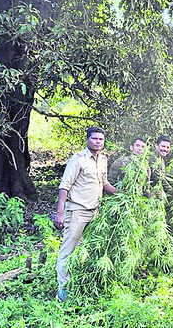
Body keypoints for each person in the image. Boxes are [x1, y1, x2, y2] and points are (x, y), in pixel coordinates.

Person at [54, 127, 117, 301]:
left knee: (87, 249)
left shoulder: (103, 160)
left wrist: (122, 192)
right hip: (77, 211)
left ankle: (80, 283)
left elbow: (104, 184)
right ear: (87, 140)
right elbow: (64, 186)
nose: (98, 142)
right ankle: (63, 289)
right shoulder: (78, 159)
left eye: (101, 139)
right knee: (68, 249)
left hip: (95, 212)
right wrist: (60, 213)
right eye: (95, 139)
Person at [148, 135, 173, 199]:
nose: (165, 149)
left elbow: (163, 176)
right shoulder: (153, 158)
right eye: (163, 146)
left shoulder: (161, 159)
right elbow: (158, 177)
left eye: (167, 147)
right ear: (156, 146)